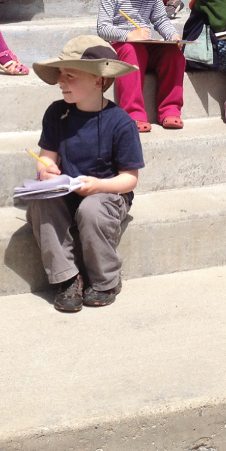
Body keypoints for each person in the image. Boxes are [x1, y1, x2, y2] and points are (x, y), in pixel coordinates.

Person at [27, 36, 145, 312]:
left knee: (92, 209)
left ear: (99, 81)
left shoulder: (121, 123)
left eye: (70, 75)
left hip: (106, 192)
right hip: (67, 191)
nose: (61, 82)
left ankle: (105, 280)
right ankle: (66, 277)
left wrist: (99, 185)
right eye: (60, 75)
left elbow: (130, 179)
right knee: (42, 200)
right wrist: (46, 170)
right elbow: (46, 156)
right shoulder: (57, 113)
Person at [98, 0, 186, 132]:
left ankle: (171, 109)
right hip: (122, 47)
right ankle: (133, 113)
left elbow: (161, 20)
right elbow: (103, 28)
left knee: (174, 55)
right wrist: (128, 36)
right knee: (133, 51)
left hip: (146, 46)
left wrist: (172, 36)